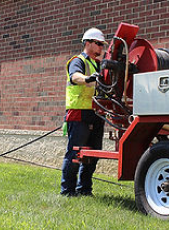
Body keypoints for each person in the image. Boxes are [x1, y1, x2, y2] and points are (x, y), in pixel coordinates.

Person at [61, 28, 107, 197]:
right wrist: (87, 79)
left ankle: (85, 189)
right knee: (75, 154)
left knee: (92, 154)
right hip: (79, 113)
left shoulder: (99, 64)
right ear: (88, 43)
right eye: (99, 44)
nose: (101, 48)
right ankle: (67, 191)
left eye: (102, 45)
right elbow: (75, 77)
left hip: (96, 114)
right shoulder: (78, 61)